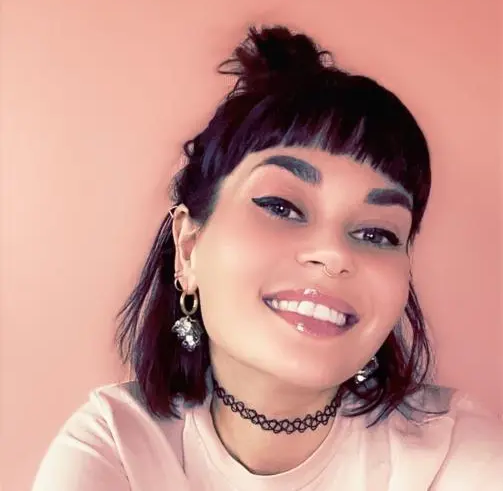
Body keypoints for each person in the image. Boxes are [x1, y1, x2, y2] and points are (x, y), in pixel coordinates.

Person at [32, 25, 503, 491]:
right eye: (281, 207)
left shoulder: (455, 450)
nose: (334, 255)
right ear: (189, 248)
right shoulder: (117, 446)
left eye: (378, 233)